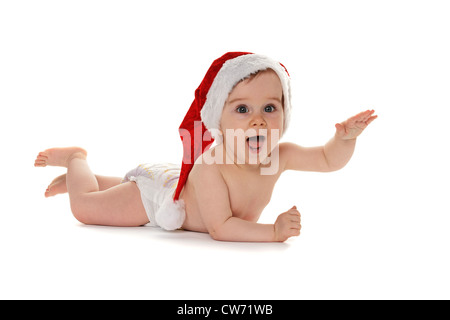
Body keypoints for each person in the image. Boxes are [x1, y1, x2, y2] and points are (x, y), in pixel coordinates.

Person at [34, 52, 377, 242]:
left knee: (118, 187)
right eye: (242, 110)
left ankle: (89, 178)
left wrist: (343, 140)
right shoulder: (212, 164)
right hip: (157, 198)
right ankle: (76, 161)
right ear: (219, 121)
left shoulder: (278, 156)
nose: (258, 121)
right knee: (86, 209)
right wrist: (272, 231)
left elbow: (327, 160)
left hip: (178, 182)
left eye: (269, 108)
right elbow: (221, 227)